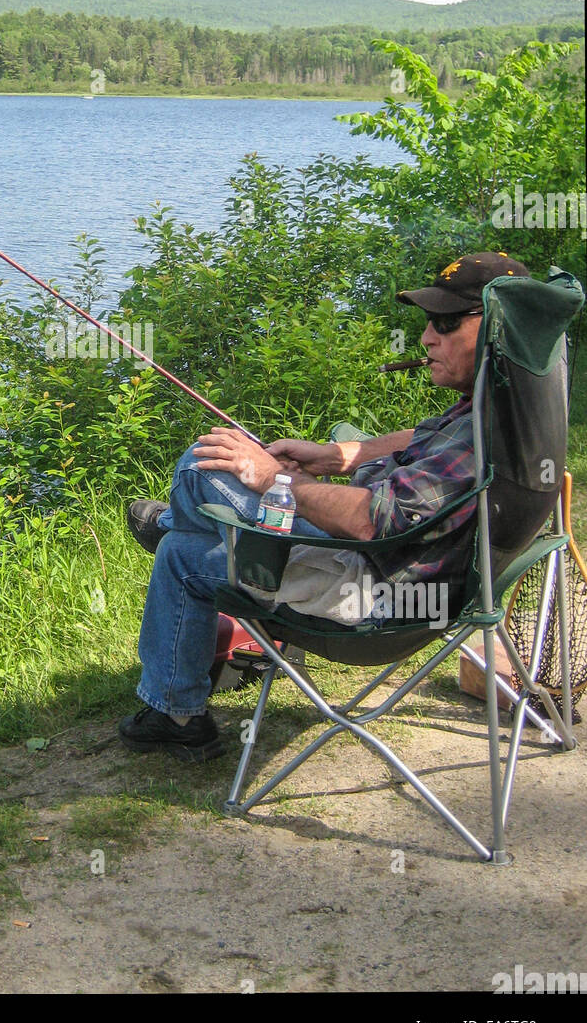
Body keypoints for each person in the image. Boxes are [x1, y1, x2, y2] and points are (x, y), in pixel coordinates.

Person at [119, 251, 530, 762]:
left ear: (496, 329)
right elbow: (417, 436)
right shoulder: (510, 404)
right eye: (429, 322)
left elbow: (370, 521)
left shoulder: (482, 436)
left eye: (446, 323)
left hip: (380, 594)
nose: (426, 337)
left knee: (201, 463)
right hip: (413, 574)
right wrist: (336, 456)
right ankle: (177, 715)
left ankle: (171, 523)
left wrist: (280, 479)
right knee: (183, 551)